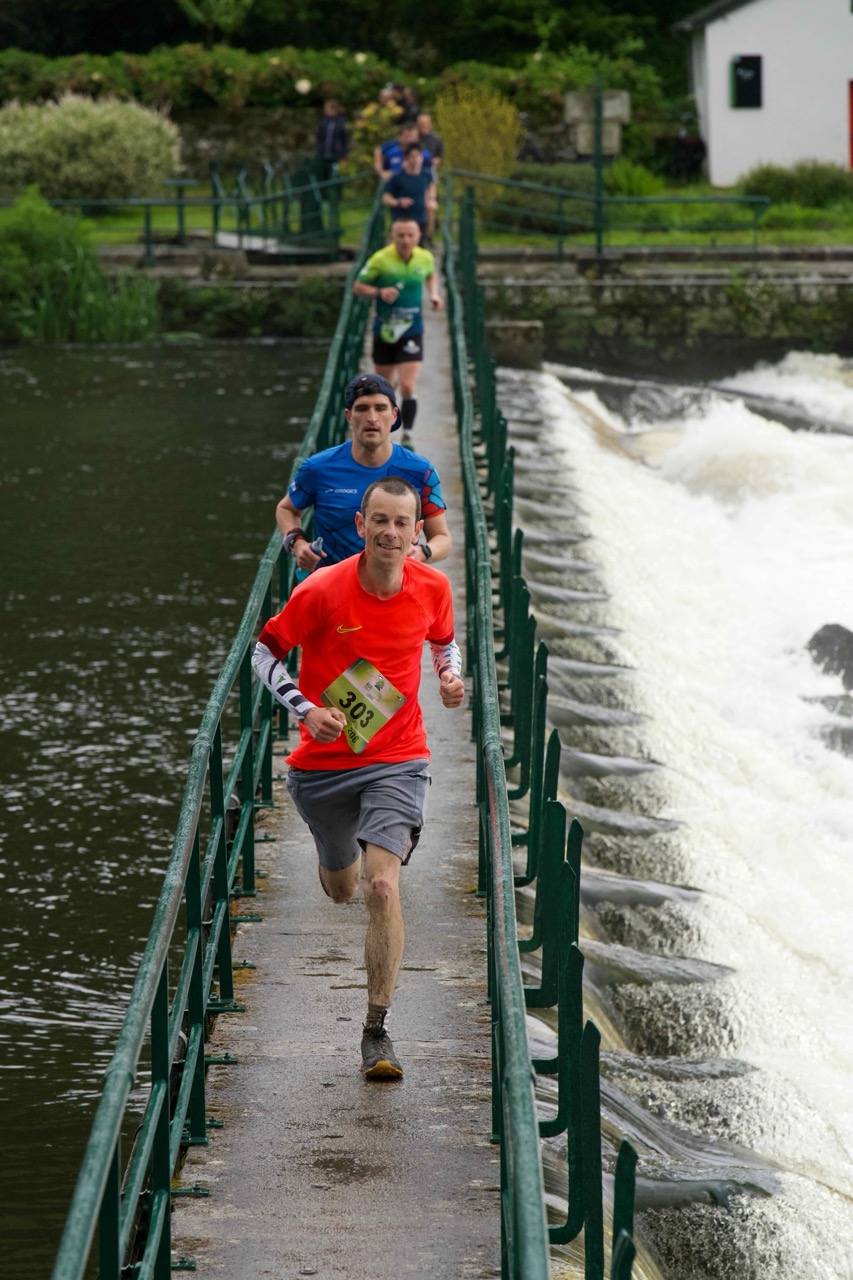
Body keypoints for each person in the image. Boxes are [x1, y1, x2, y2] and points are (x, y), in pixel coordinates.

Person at [252, 475, 465, 1079]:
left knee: (382, 887)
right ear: (361, 525)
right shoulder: (322, 589)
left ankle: (376, 1031)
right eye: (380, 521)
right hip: (323, 767)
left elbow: (444, 643)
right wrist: (305, 710)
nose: (390, 533)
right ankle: (335, 858)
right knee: (343, 888)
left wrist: (449, 677)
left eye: (402, 523)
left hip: (398, 756)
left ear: (416, 532)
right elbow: (263, 653)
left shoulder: (433, 587)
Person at [276, 372, 451, 576]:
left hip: (395, 586)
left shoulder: (421, 471)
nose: (372, 418)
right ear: (349, 416)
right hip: (330, 585)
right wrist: (297, 543)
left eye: (380, 408)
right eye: (362, 409)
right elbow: (286, 509)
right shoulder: (317, 467)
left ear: (394, 415)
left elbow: (442, 538)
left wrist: (423, 552)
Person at [352, 220, 443, 443]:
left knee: (408, 385)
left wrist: (434, 293)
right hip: (385, 330)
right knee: (384, 386)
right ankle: (385, 430)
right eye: (400, 235)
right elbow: (358, 286)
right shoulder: (380, 259)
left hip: (412, 329)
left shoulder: (425, 257)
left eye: (410, 235)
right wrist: (379, 292)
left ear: (418, 236)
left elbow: (431, 274)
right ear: (393, 237)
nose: (405, 240)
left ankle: (407, 434)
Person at [382, 142, 437, 245]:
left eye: (418, 157)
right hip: (401, 221)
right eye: (412, 157)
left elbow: (431, 188)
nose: (415, 160)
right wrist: (398, 202)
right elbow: (386, 198)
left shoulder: (426, 175)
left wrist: (431, 200)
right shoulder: (397, 177)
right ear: (406, 158)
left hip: (421, 220)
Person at [315, 98, 348, 182]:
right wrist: (319, 148)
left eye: (327, 109)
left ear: (333, 109)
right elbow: (319, 136)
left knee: (334, 177)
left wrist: (343, 153)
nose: (325, 111)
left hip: (336, 155)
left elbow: (345, 138)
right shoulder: (323, 121)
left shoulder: (341, 121)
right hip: (323, 154)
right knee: (322, 178)